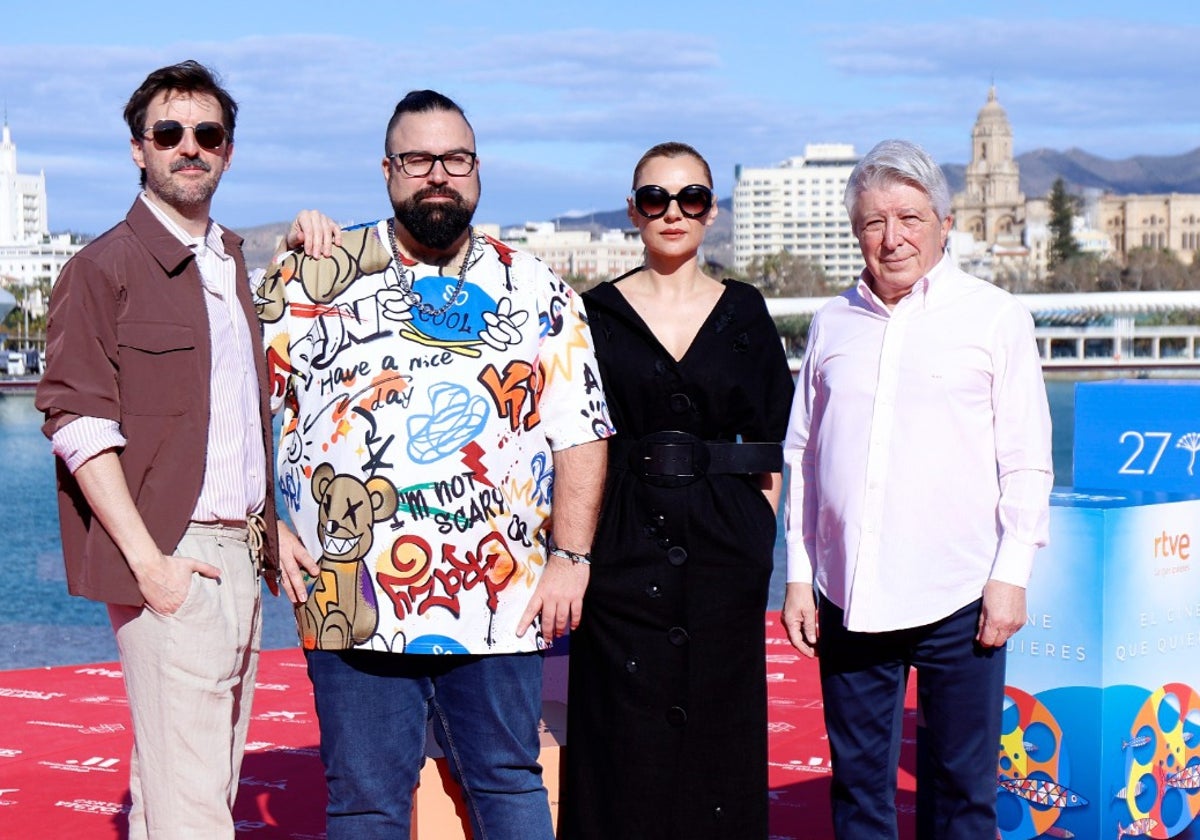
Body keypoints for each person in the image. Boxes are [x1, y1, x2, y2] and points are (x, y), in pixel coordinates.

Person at [258, 90, 612, 839]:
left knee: (508, 788)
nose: (438, 176)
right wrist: (265, 521)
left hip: (501, 599)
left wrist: (572, 558)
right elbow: (233, 406)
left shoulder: (540, 290)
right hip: (346, 593)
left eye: (455, 159)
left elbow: (580, 432)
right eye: (419, 160)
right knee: (362, 804)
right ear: (388, 170)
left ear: (478, 169)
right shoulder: (309, 279)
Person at [780, 139, 1053, 839]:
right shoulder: (832, 323)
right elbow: (804, 455)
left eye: (909, 218)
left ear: (944, 222)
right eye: (874, 222)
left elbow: (1026, 458)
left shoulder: (996, 317)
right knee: (859, 791)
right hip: (850, 597)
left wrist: (1011, 575)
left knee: (962, 791)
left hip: (960, 598)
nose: (892, 237)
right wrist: (802, 578)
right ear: (856, 232)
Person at [35, 60, 280, 839]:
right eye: (167, 133)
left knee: (190, 789)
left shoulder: (230, 265)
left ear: (228, 150)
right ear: (138, 149)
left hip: (241, 557)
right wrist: (150, 565)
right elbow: (76, 422)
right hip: (173, 560)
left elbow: (243, 419)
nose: (189, 148)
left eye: (206, 134)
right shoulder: (101, 268)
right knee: (194, 809)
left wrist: (275, 534)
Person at [561, 142, 795, 839]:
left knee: (719, 739)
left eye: (690, 198)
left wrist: (758, 533)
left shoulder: (745, 311)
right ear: (634, 211)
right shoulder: (591, 313)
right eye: (656, 199)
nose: (674, 213)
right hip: (623, 548)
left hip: (725, 549)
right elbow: (576, 438)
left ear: (710, 210)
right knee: (621, 736)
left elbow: (774, 442)